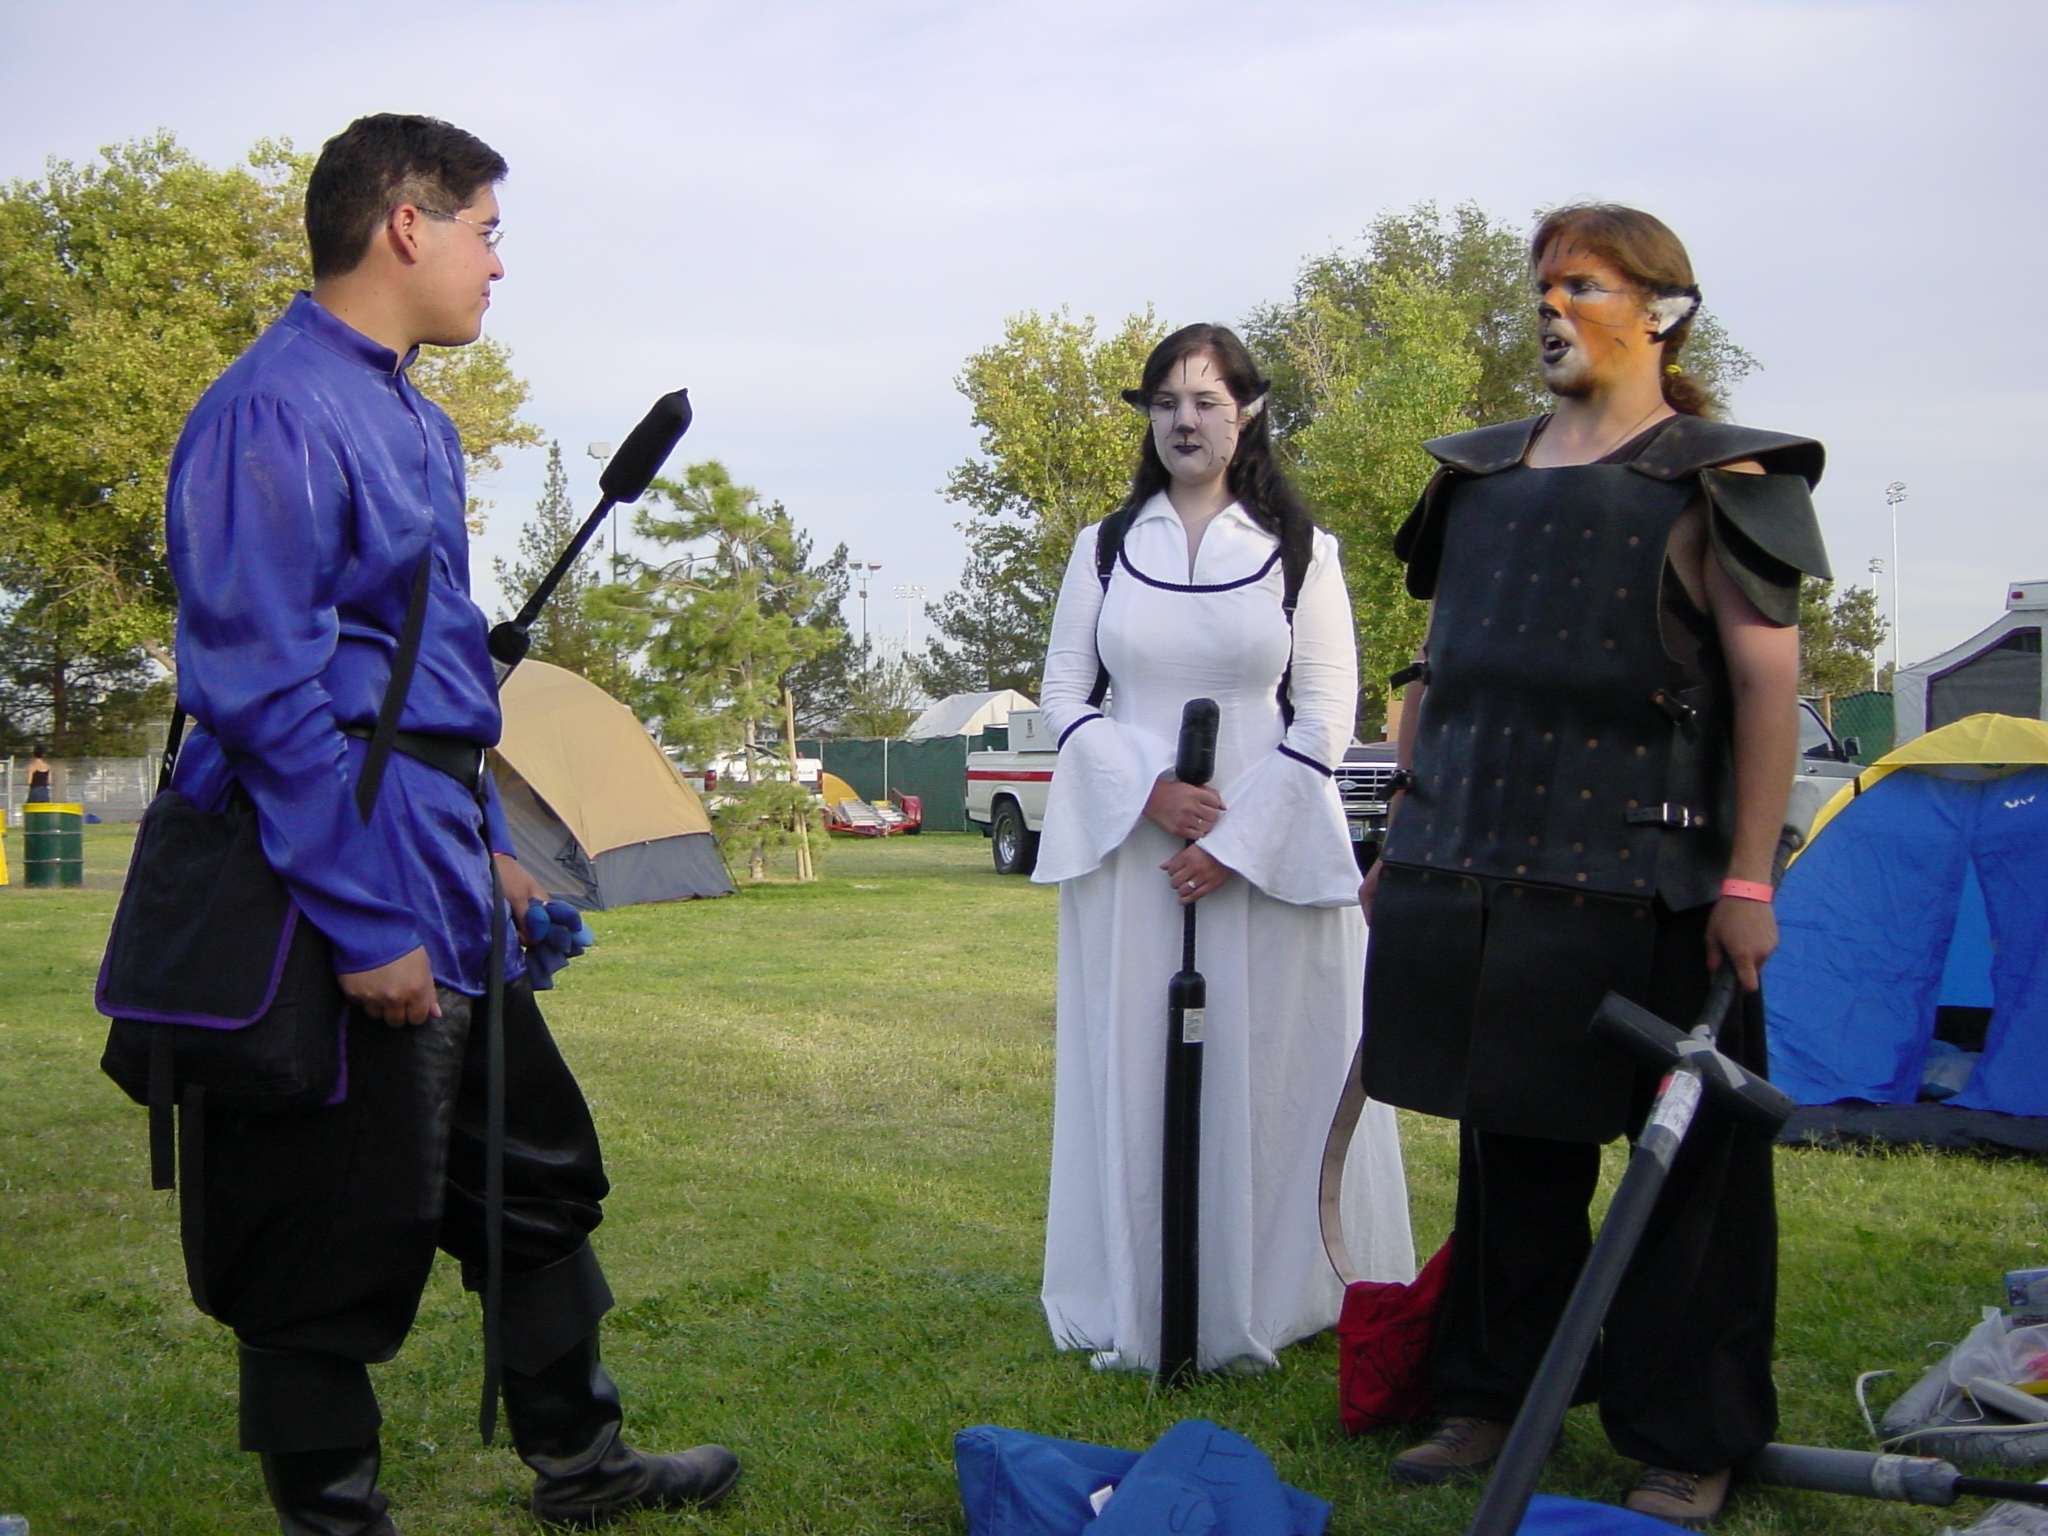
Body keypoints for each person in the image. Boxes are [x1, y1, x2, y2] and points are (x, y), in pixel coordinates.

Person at [163, 114, 738, 1534]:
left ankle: (582, 1463)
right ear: (405, 224)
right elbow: (263, 694)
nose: (497, 262)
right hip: (322, 884)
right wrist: (367, 923)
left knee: (531, 1176)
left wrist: (482, 848)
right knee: (314, 1226)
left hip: (435, 858)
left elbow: (415, 680)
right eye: (485, 230)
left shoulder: (418, 419)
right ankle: (333, 1520)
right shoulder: (272, 410)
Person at [1360, 205, 1829, 1526]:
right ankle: (1489, 1395)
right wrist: (1406, 836)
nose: (1550, 308)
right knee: (1511, 1154)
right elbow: (1441, 674)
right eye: (1542, 287)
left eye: (1583, 285)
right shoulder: (1479, 479)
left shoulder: (1720, 480)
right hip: (1493, 871)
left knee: (1692, 1179)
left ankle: (1686, 1434)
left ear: (1661, 313)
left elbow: (1766, 689)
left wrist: (1748, 882)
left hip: (1664, 883)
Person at [1034, 322, 1414, 1375]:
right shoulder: (1104, 548)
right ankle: (1141, 1287)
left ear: (1245, 413)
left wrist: (1234, 842)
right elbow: (1065, 695)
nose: (1184, 421)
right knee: (1137, 1065)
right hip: (1137, 855)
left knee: (1271, 1068)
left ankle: (1278, 1289)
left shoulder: (1300, 551)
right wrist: (1150, 794)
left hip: (1268, 857)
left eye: (1205, 400)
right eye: (1165, 402)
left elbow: (1324, 713)